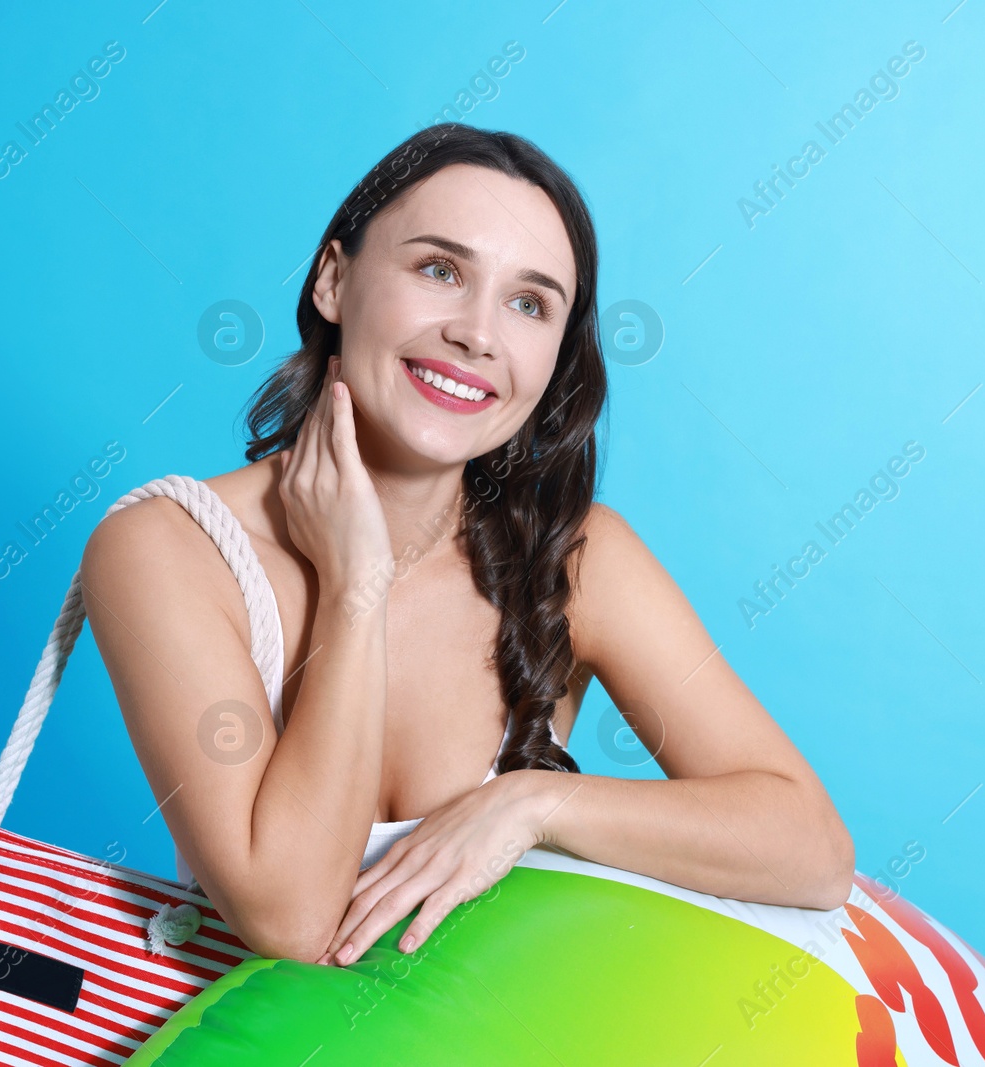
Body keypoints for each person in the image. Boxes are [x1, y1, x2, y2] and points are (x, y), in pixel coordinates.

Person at [80, 124, 853, 969]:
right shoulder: (167, 548)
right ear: (335, 280)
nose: (478, 334)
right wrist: (355, 586)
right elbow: (294, 920)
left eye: (529, 303)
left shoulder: (576, 557)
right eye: (440, 270)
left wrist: (531, 804)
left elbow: (810, 847)